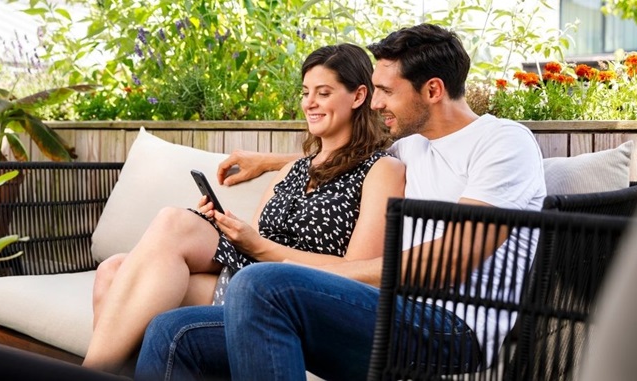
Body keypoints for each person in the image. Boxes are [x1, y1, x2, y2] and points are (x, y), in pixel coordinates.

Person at [134, 23, 546, 381]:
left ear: (433, 89)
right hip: (385, 311)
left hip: (451, 329)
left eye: (386, 90)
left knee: (262, 282)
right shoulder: (415, 146)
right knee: (172, 330)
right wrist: (268, 162)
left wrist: (342, 276)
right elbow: (349, 161)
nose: (376, 102)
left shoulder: (502, 142)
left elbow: (451, 259)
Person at [81, 43, 406, 374]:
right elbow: (256, 238)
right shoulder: (291, 169)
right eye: (306, 91)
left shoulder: (382, 170)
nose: (309, 103)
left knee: (173, 223)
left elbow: (359, 272)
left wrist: (258, 245)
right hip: (243, 278)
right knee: (113, 269)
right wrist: (230, 228)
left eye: (323, 93)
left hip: (286, 296)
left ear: (358, 96)